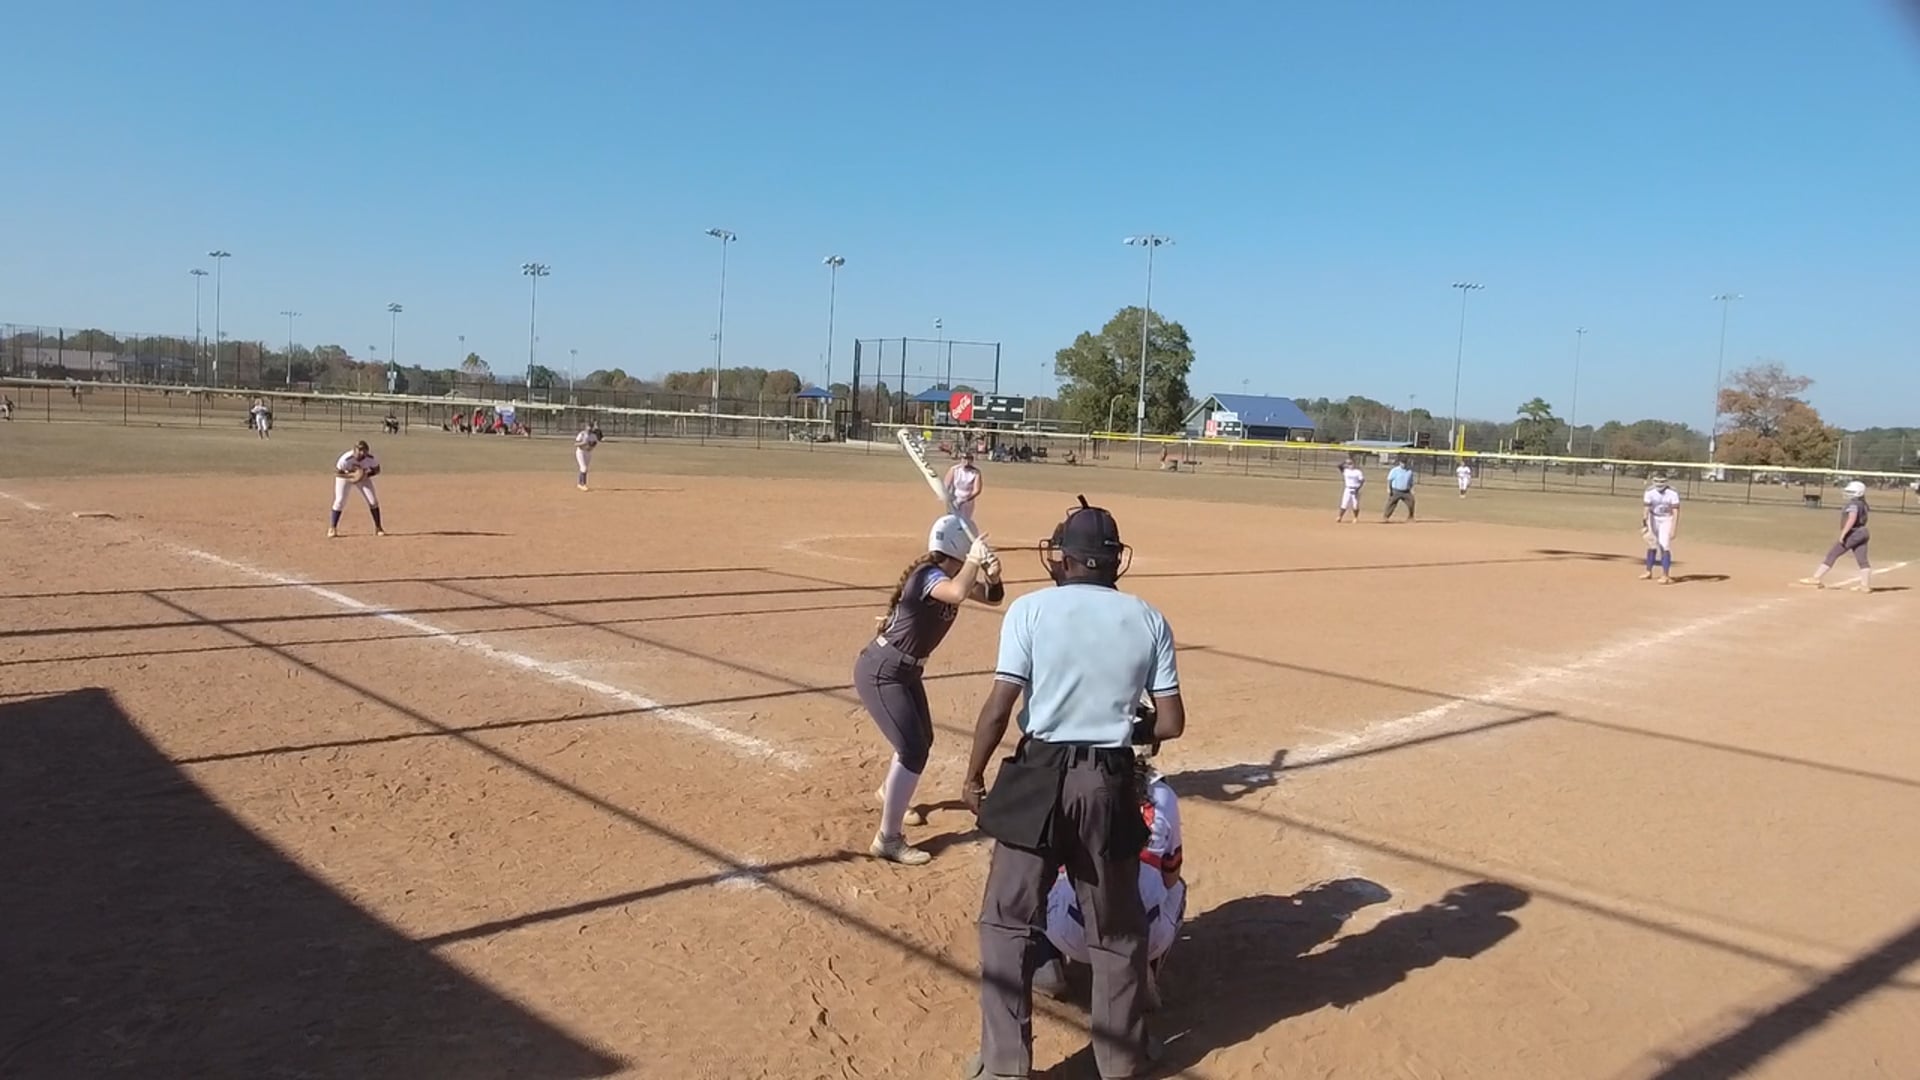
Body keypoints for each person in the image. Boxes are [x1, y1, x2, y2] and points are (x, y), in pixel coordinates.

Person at [960, 495, 1185, 1080]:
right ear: (1113, 560)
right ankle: (1120, 1061)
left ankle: (1005, 1065)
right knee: (1117, 930)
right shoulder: (1148, 618)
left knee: (1007, 921)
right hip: (1107, 781)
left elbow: (999, 708)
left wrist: (974, 776)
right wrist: (1128, 725)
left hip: (1038, 775)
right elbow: (1170, 723)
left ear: (1064, 557)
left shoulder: (1030, 610)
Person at [854, 514, 1004, 865]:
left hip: (906, 672)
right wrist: (974, 559)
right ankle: (888, 839)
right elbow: (957, 593)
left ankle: (889, 791)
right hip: (883, 671)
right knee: (913, 750)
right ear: (958, 548)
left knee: (922, 740)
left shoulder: (950, 576)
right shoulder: (928, 575)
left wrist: (993, 576)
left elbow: (992, 597)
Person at [1033, 739, 1186, 1011]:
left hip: (1071, 933)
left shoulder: (1069, 784)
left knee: (1036, 873)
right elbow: (1170, 877)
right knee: (1176, 887)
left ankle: (1046, 962)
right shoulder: (1163, 795)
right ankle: (1142, 971)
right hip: (1143, 938)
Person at [1800, 481, 1874, 591]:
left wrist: (1843, 534)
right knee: (1862, 560)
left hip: (1853, 533)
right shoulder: (1863, 504)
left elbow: (1852, 519)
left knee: (1833, 554)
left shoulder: (1853, 504)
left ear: (1858, 493)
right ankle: (1865, 585)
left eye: (1851, 492)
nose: (1848, 494)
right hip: (1863, 532)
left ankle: (1816, 578)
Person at [328, 440, 386, 539]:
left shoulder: (370, 458)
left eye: (364, 451)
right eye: (360, 450)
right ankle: (332, 528)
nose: (362, 453)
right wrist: (352, 476)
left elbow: (377, 469)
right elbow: (337, 472)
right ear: (354, 450)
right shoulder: (346, 459)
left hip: (363, 478)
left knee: (373, 501)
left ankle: (378, 528)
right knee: (340, 501)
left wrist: (366, 475)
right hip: (345, 478)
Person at [1641, 473, 1680, 584]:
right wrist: (1645, 524)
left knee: (1664, 545)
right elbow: (1646, 509)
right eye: (1657, 481)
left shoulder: (1672, 493)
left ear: (1666, 482)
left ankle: (1665, 575)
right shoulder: (1649, 491)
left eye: (1662, 481)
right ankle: (1648, 571)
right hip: (1653, 517)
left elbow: (1676, 511)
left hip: (1667, 519)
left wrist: (1673, 528)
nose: (1659, 484)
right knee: (1652, 544)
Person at [946, 451, 983, 528]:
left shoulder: (976, 473)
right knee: (952, 519)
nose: (966, 462)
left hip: (968, 500)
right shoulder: (954, 469)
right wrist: (948, 498)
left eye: (969, 459)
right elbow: (947, 484)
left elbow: (977, 490)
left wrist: (965, 500)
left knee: (965, 521)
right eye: (964, 459)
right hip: (955, 497)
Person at [574, 420, 601, 491]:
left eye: (591, 427)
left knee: (584, 468)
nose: (589, 428)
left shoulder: (593, 435)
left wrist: (591, 447)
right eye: (588, 426)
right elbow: (576, 444)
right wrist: (583, 443)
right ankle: (583, 484)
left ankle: (579, 483)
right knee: (584, 468)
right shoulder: (582, 434)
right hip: (581, 452)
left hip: (588, 453)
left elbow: (594, 443)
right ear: (586, 427)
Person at [1336, 458, 1364, 523]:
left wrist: (1358, 488)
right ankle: (1340, 517)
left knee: (1355, 504)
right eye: (1349, 464)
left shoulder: (1357, 472)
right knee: (1344, 503)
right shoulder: (1346, 471)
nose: (1350, 465)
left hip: (1355, 489)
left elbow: (1362, 481)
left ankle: (1355, 518)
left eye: (1351, 464)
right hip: (1348, 489)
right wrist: (1345, 462)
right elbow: (1339, 466)